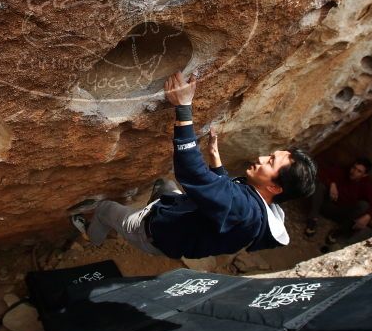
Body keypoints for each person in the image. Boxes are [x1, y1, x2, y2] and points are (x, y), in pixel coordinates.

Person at [69, 71, 318, 259]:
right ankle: (155, 212)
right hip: (180, 220)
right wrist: (216, 159)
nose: (262, 158)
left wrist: (184, 108)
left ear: (275, 187)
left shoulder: (243, 211)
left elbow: (192, 172)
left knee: (104, 208)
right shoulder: (259, 208)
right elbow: (225, 195)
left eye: (271, 162)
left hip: (153, 234)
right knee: (164, 184)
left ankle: (92, 237)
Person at [304, 157, 372, 245]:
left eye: (359, 171)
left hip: (342, 214)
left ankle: (337, 232)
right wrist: (331, 184)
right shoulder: (343, 171)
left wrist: (368, 216)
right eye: (354, 168)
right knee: (320, 185)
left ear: (364, 175)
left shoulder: (367, 185)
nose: (354, 172)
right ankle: (312, 220)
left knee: (364, 205)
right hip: (326, 205)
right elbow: (320, 172)